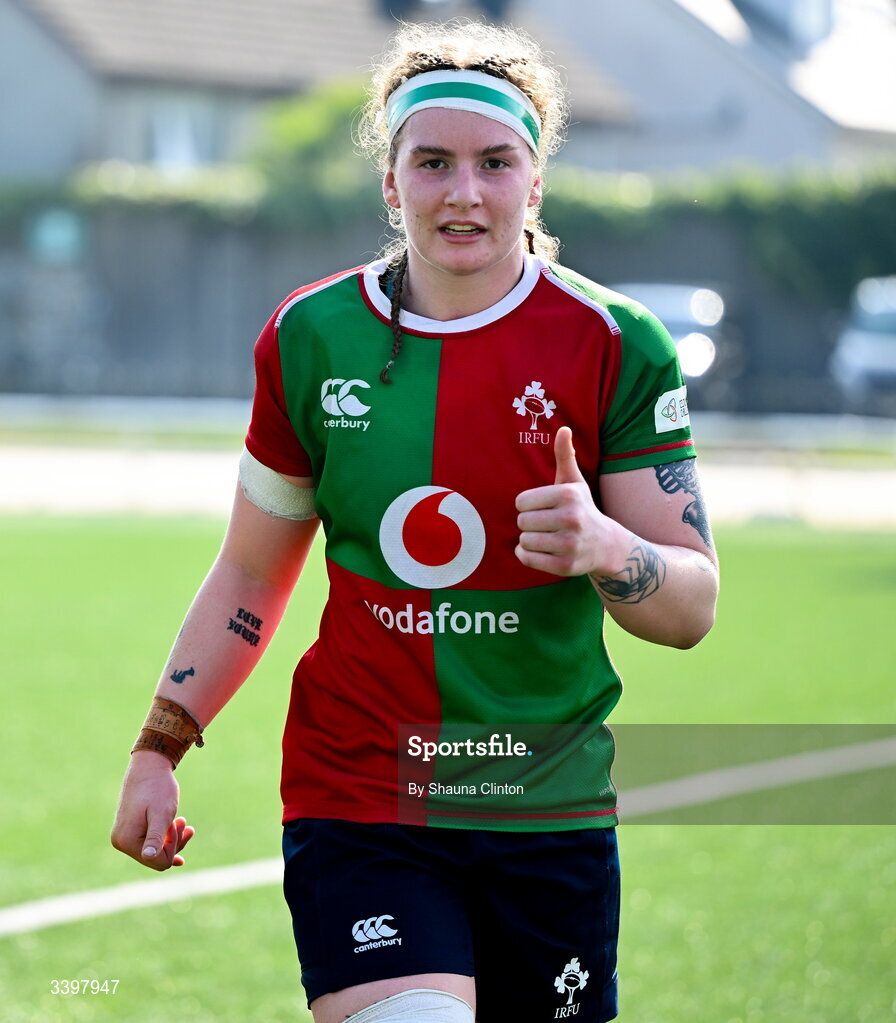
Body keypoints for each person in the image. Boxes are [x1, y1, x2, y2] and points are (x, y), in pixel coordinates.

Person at [110, 19, 718, 1023]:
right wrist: (160, 743)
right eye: (429, 163)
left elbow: (690, 606)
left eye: (494, 163)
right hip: (360, 796)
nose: (462, 192)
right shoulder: (310, 337)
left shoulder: (615, 343)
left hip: (544, 807)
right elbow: (251, 576)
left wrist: (607, 550)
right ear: (390, 183)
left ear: (535, 179)